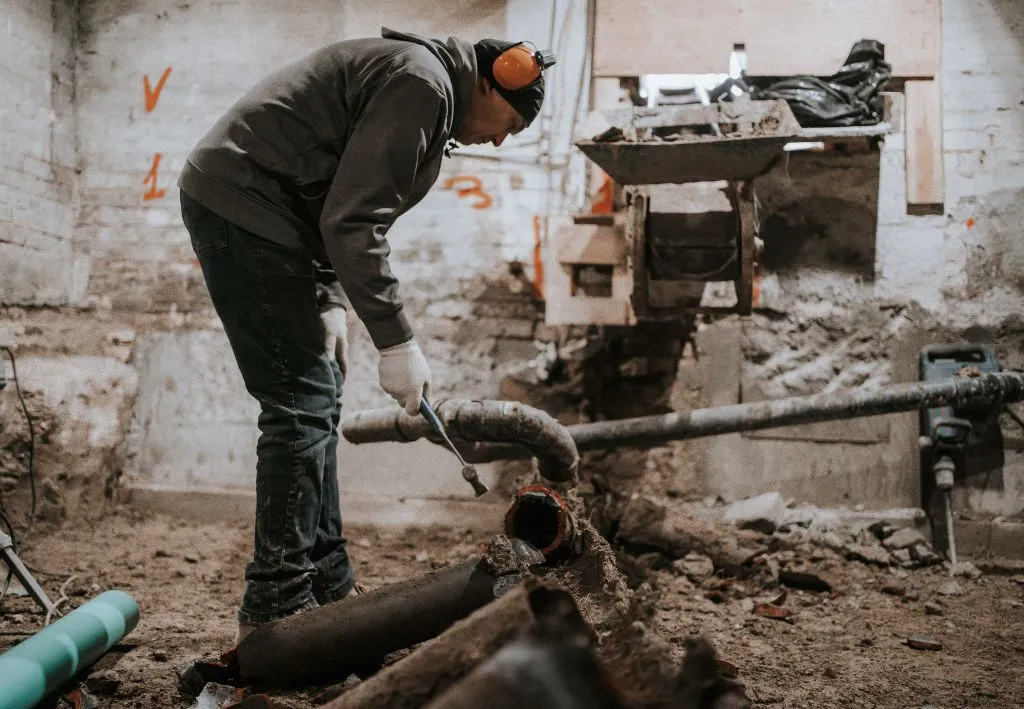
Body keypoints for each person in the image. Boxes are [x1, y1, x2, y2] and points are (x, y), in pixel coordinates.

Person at [176, 27, 555, 643]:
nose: (501, 141)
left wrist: (328, 299)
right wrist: (396, 341)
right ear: (492, 84)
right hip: (245, 208)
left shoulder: (428, 90)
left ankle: (328, 582)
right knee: (299, 403)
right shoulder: (421, 83)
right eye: (510, 124)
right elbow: (354, 221)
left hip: (273, 221)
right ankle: (274, 608)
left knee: (318, 394)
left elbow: (334, 200)